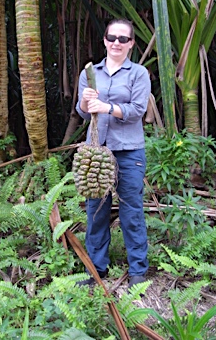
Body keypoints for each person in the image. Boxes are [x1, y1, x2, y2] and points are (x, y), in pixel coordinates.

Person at [76, 18, 151, 291]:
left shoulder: (138, 73)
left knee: (131, 211)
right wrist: (87, 100)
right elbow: (83, 112)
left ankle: (138, 271)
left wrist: (107, 107)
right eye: (112, 37)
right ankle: (96, 268)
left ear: (131, 43)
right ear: (105, 40)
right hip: (96, 152)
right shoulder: (90, 72)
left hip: (129, 152)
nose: (116, 43)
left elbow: (136, 110)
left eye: (123, 39)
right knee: (96, 212)